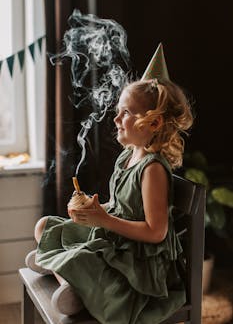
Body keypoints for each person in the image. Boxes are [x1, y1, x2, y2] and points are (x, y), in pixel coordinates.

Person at [25, 77, 193, 324]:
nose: (116, 120)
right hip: (115, 240)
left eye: (125, 112)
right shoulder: (127, 157)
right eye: (118, 111)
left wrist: (103, 220)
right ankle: (66, 276)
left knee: (79, 258)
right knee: (44, 226)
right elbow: (120, 207)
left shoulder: (152, 170)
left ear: (154, 122)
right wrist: (94, 212)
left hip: (137, 262)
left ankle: (67, 277)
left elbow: (156, 232)